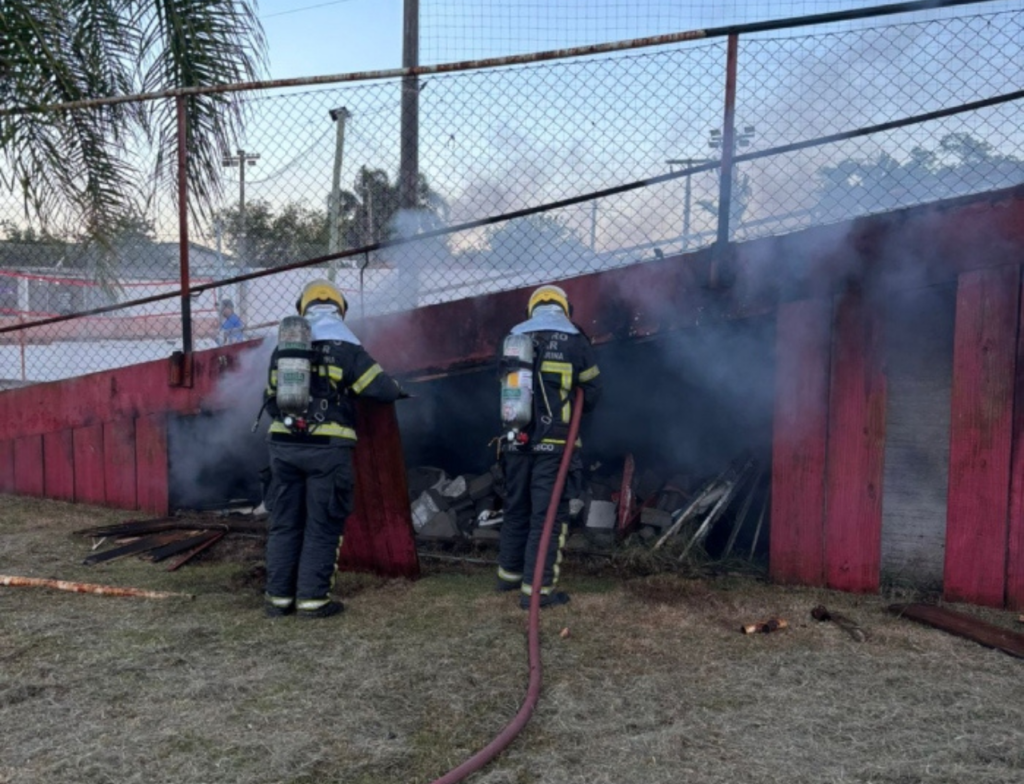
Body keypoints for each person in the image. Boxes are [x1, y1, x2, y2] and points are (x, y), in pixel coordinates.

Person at [261, 279, 404, 619]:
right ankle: (312, 600)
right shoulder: (346, 344)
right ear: (339, 308)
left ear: (303, 308)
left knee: (285, 523)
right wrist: (398, 388)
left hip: (282, 446)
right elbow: (379, 388)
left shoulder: (284, 347)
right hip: (326, 450)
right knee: (322, 524)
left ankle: (278, 601)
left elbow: (269, 398)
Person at [496, 284, 602, 609]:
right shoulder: (574, 339)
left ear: (532, 309)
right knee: (548, 516)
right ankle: (537, 591)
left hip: (516, 441)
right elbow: (593, 392)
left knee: (516, 508)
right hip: (556, 445)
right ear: (565, 308)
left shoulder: (514, 337)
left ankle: (508, 576)